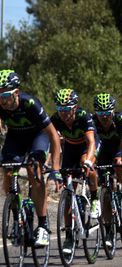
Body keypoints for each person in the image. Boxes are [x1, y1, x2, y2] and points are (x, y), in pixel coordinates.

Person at [0, 69, 61, 246]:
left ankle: (42, 226)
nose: (2, 99)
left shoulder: (30, 103)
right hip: (15, 138)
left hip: (38, 137)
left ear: (16, 93)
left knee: (34, 170)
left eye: (5, 94)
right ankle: (16, 218)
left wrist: (55, 169)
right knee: (9, 172)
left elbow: (53, 136)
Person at [51, 88, 100, 253]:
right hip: (71, 149)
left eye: (67, 109)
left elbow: (92, 142)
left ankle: (94, 198)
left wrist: (88, 161)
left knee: (87, 163)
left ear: (75, 107)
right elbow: (52, 143)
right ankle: (69, 237)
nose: (63, 113)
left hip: (87, 146)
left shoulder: (83, 116)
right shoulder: (56, 118)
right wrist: (50, 165)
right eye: (60, 109)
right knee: (67, 190)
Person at [93, 93, 122, 245]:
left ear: (113, 111)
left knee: (118, 164)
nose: (104, 117)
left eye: (107, 113)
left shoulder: (121, 119)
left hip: (120, 147)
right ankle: (109, 230)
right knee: (105, 189)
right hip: (104, 151)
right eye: (100, 113)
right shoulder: (93, 122)